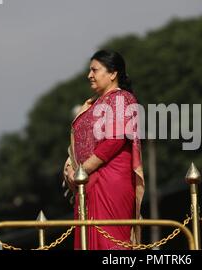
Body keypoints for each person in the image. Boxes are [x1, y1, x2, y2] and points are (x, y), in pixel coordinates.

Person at [63, 50, 145, 250]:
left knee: (110, 242)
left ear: (113, 73)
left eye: (94, 70)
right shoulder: (92, 104)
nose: (89, 75)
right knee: (86, 241)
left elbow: (114, 140)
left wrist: (83, 170)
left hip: (110, 181)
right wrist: (71, 170)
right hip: (86, 184)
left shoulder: (123, 98)